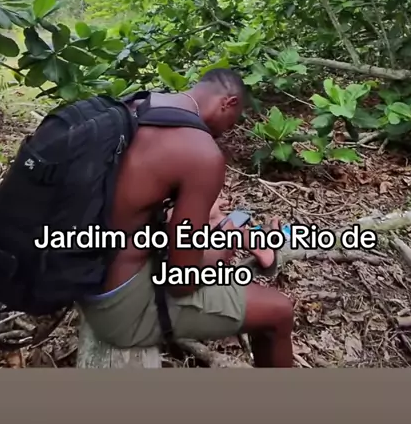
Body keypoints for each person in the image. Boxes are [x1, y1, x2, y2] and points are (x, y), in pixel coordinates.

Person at [79, 69, 295, 368]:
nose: (226, 132)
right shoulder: (202, 153)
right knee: (279, 311)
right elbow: (182, 281)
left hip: (84, 271)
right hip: (118, 308)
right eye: (232, 122)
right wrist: (221, 249)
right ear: (229, 103)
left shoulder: (140, 105)